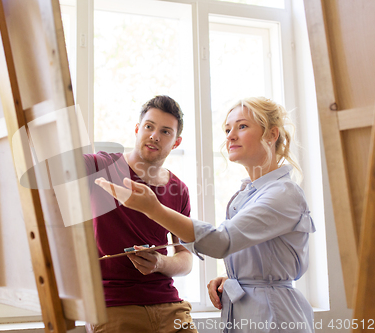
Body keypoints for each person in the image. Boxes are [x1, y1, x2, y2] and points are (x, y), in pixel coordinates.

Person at [95, 96, 316, 333]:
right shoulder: (247, 195)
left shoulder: (283, 193)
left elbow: (222, 241)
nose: (230, 135)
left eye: (242, 126)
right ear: (138, 129)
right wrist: (234, 279)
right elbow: (264, 257)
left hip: (275, 318)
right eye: (227, 129)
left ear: (272, 135)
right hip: (248, 315)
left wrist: (153, 208)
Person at [84, 95, 197, 333]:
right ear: (137, 129)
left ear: (176, 142)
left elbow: (186, 259)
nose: (155, 135)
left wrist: (159, 263)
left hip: (170, 306)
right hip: (113, 306)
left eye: (166, 131)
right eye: (149, 126)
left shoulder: (179, 190)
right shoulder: (102, 167)